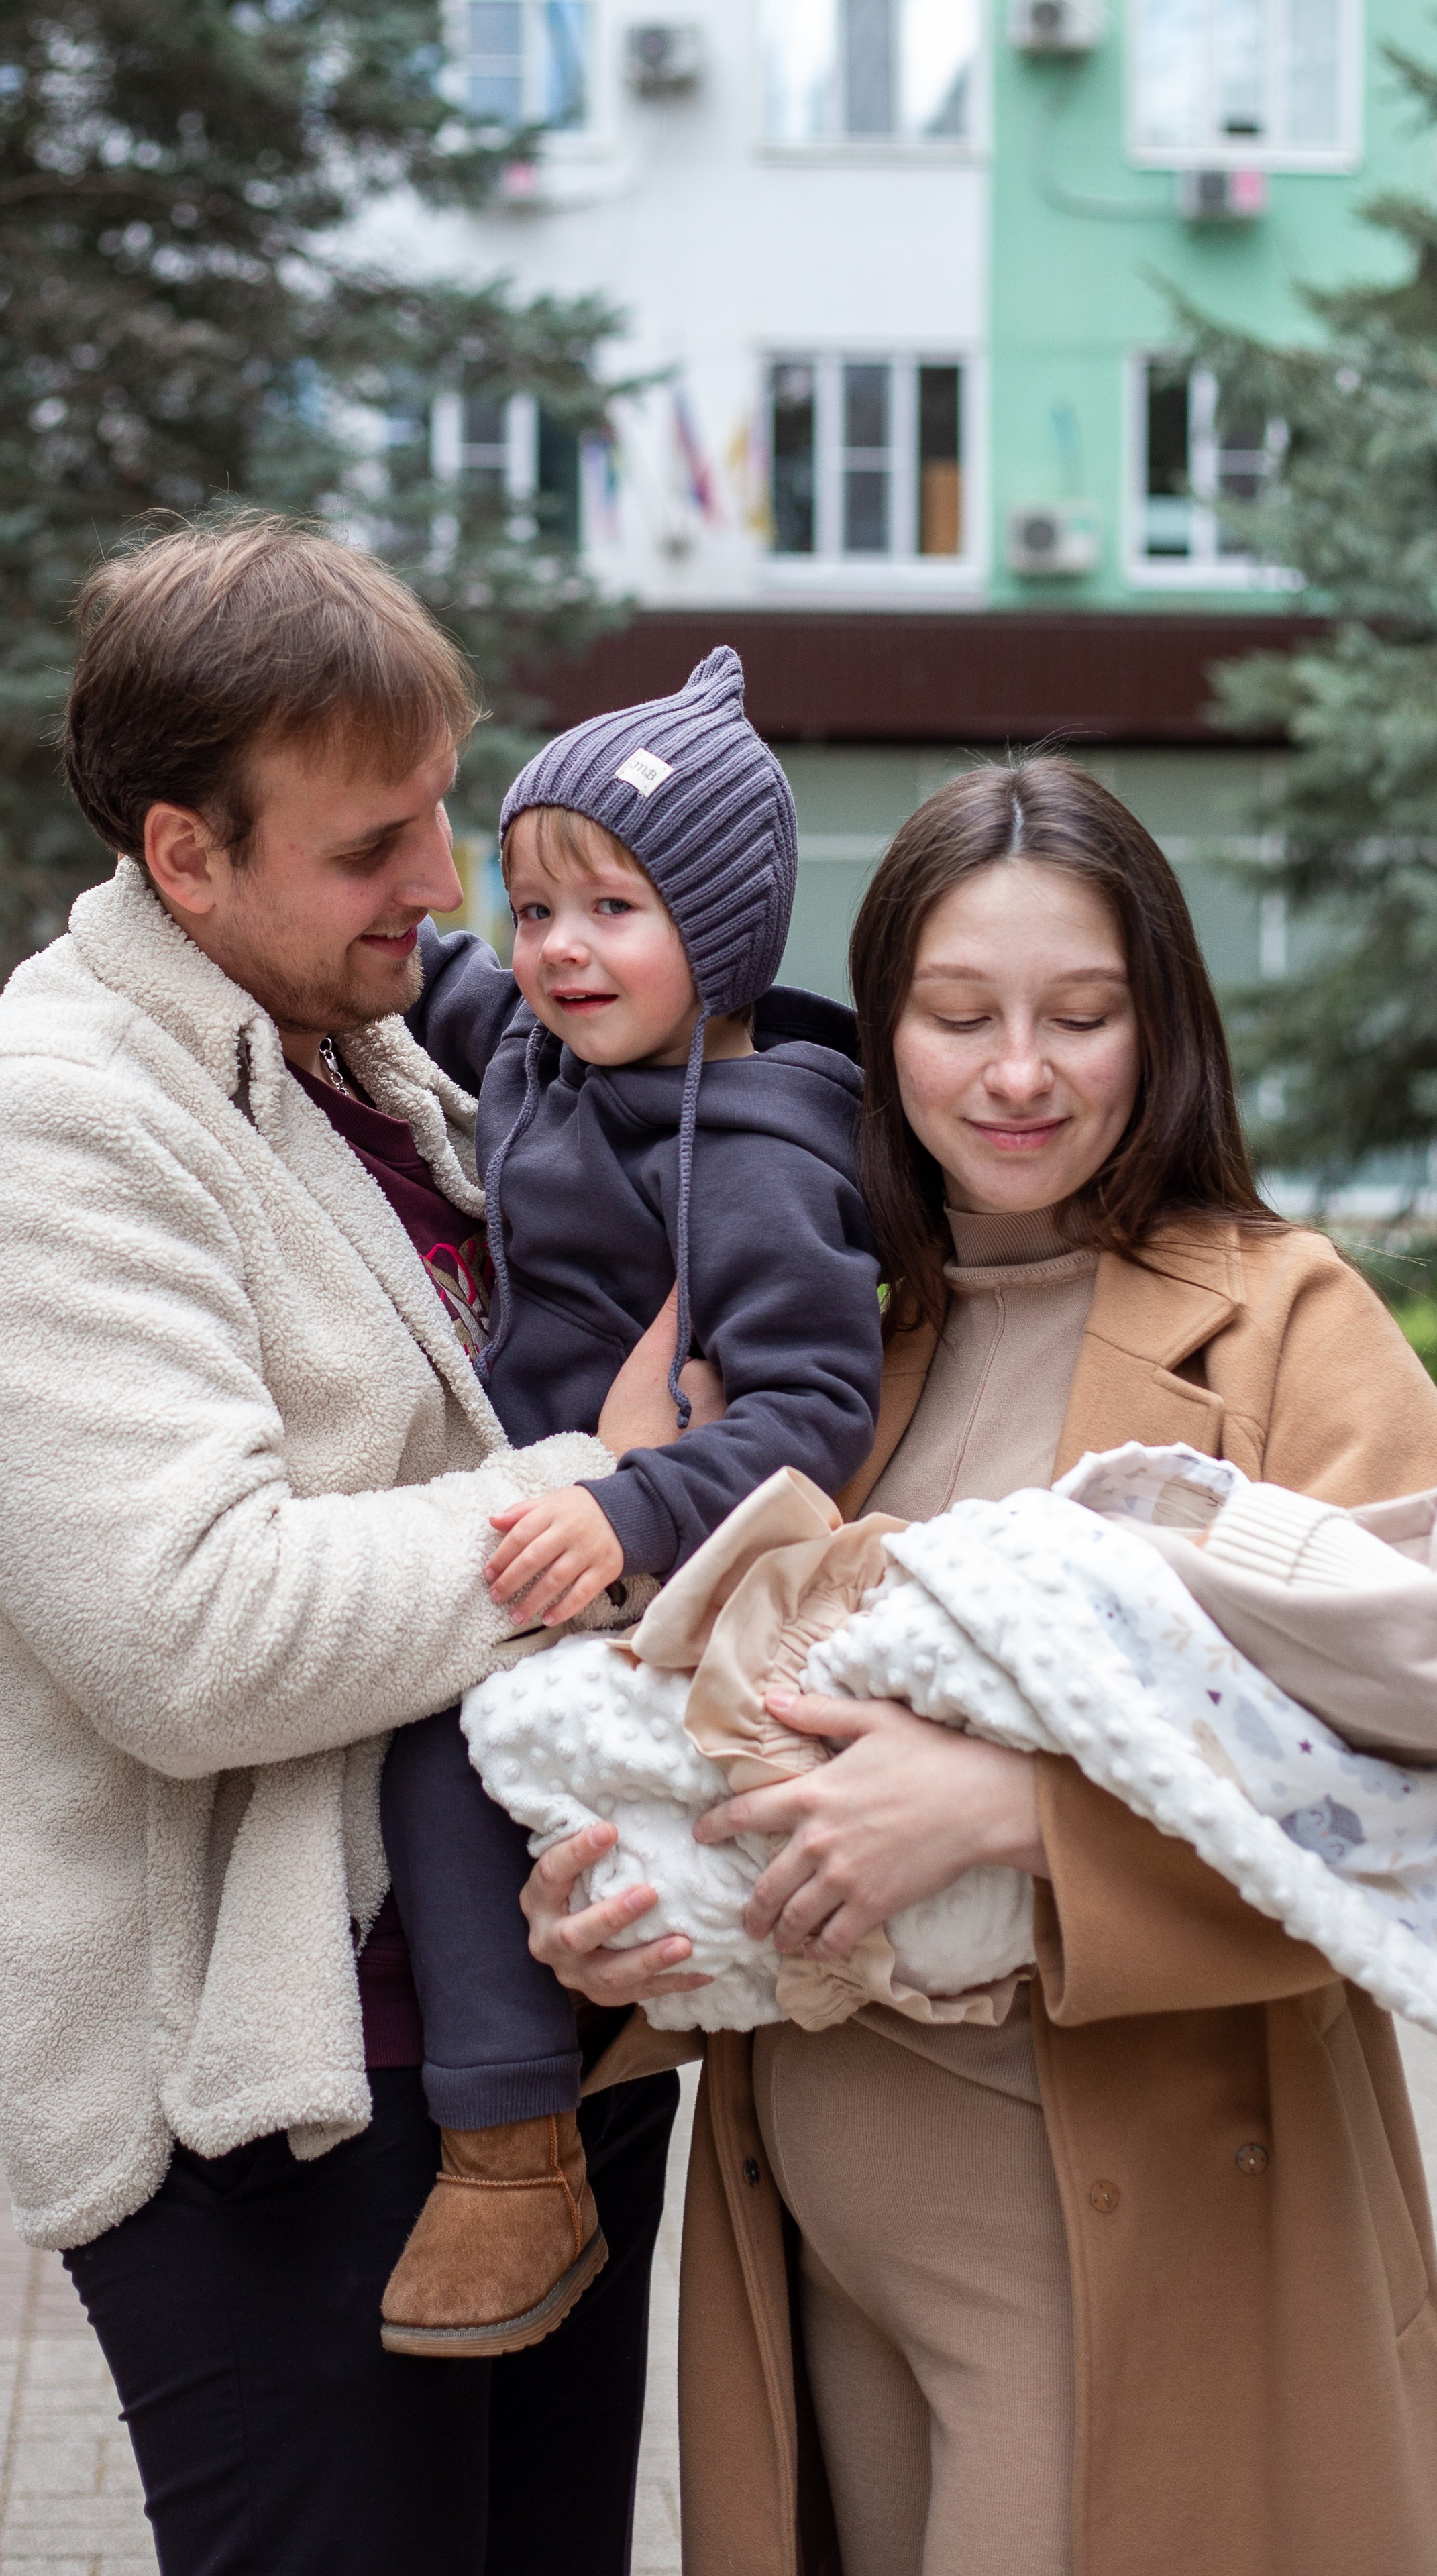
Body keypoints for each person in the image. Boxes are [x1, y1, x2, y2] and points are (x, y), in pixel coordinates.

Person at [519, 755, 1437, 2576]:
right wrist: (619, 1938)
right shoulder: (828, 1345)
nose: (1019, 1072)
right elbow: (710, 1736)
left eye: (1082, 1014)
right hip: (813, 2274)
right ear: (879, 1031)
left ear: (1167, 1028)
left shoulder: (1280, 1322)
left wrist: (1021, 1814)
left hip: (1137, 2277)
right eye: (959, 1015)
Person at [0, 514, 694, 2576]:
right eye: (369, 844)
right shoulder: (33, 1127)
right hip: (288, 2100)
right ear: (183, 854)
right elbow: (196, 1630)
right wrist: (600, 1490)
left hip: (540, 2025)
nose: (441, 880)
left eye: (440, 811)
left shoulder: (369, 1057)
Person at [377, 649, 881, 2358]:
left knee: (446, 1760)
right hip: (533, 1514)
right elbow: (423, 980)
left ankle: (508, 2151)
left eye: (613, 907)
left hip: (636, 1562)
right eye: (535, 907)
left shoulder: (755, 1160)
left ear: (725, 936)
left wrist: (639, 1505)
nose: (557, 948)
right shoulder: (539, 1047)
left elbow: (820, 1410)